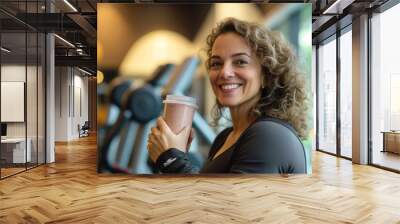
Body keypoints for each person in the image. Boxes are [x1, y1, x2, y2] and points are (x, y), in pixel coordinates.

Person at [147, 17, 309, 174]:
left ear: (266, 74)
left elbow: (228, 202)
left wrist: (172, 159)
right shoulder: (224, 137)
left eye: (240, 62)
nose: (225, 72)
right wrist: (174, 154)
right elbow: (208, 193)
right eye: (216, 63)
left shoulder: (269, 135)